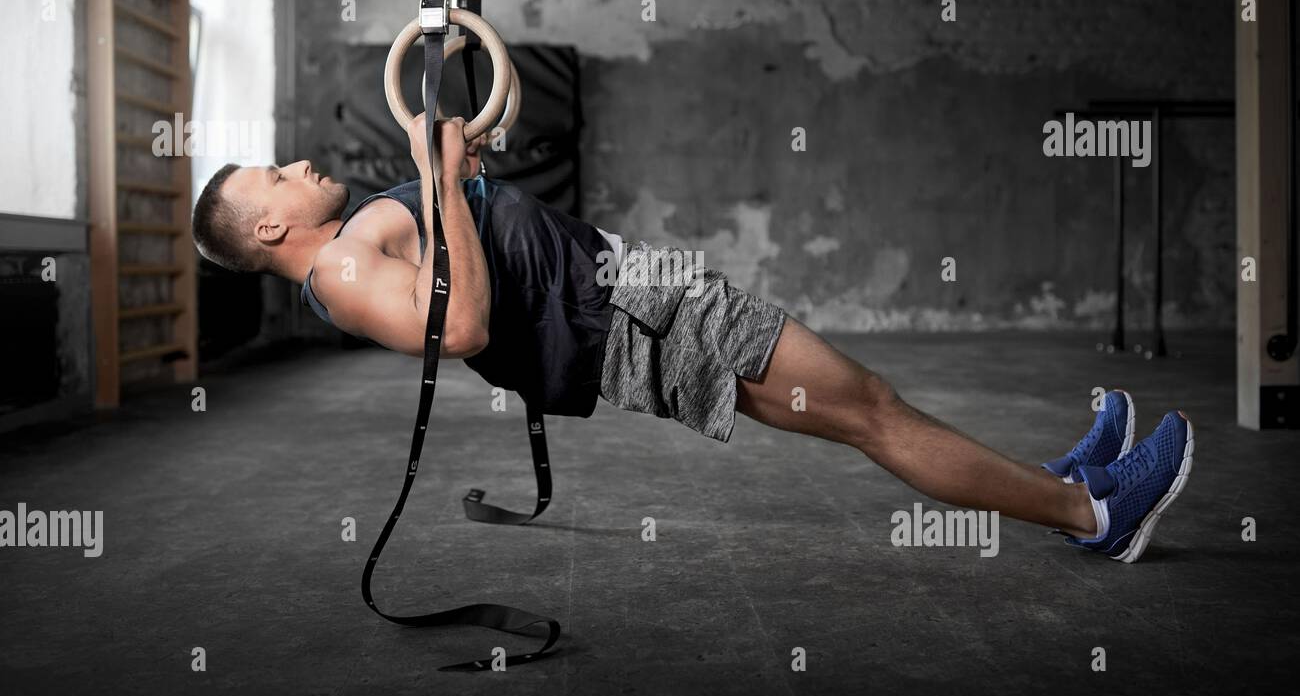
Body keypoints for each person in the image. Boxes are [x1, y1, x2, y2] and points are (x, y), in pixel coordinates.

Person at [192, 113, 1193, 563]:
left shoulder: (354, 241)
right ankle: (1089, 514)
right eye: (271, 178)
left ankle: (1060, 487)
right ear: (271, 228)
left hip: (629, 298)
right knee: (872, 409)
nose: (292, 165)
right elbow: (461, 324)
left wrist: (462, 171)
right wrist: (444, 176)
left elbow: (473, 255)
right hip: (633, 318)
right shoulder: (341, 265)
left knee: (865, 408)